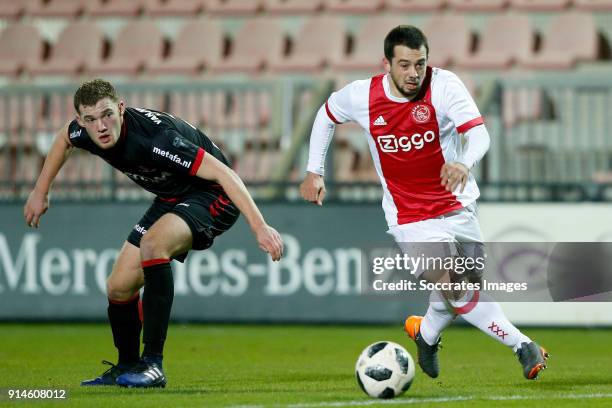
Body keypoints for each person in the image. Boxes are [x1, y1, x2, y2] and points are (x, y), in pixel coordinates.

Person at [300, 26, 548, 380]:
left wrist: (463, 163)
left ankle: (426, 333)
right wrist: (315, 171)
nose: (413, 73)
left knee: (463, 290)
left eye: (420, 63)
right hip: (409, 215)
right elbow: (326, 115)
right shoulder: (362, 96)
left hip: (458, 206)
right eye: (404, 65)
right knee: (454, 285)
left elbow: (478, 133)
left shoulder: (444, 86)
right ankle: (523, 346)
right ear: (386, 64)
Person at [24, 79, 284, 388]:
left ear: (121, 109)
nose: (101, 126)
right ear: (81, 120)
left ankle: (153, 364)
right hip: (171, 197)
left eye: (107, 114)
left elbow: (224, 174)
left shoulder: (156, 139)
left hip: (213, 195)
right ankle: (127, 366)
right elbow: (63, 139)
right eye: (90, 119)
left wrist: (259, 226)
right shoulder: (85, 132)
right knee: (118, 287)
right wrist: (40, 191)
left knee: (153, 245)